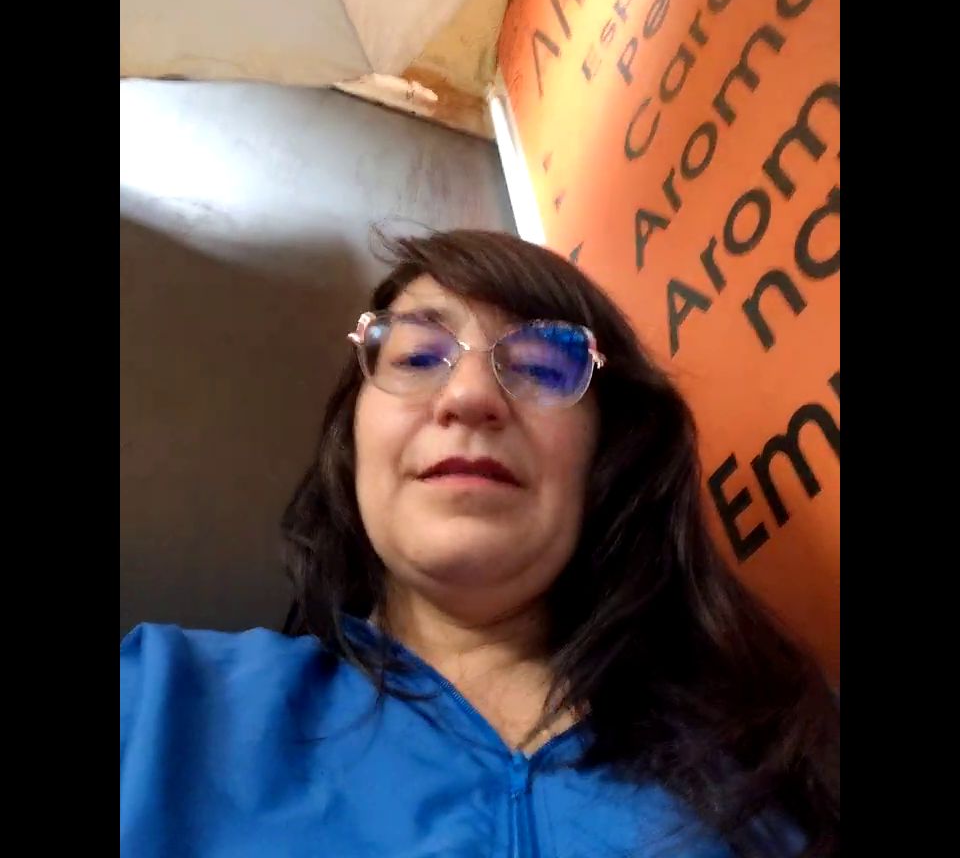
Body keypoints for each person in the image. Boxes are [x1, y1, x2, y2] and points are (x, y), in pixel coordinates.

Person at [120, 229, 840, 857]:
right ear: (353, 441)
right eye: (415, 357)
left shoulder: (782, 747)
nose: (469, 397)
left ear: (608, 453)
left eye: (542, 366)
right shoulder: (161, 705)